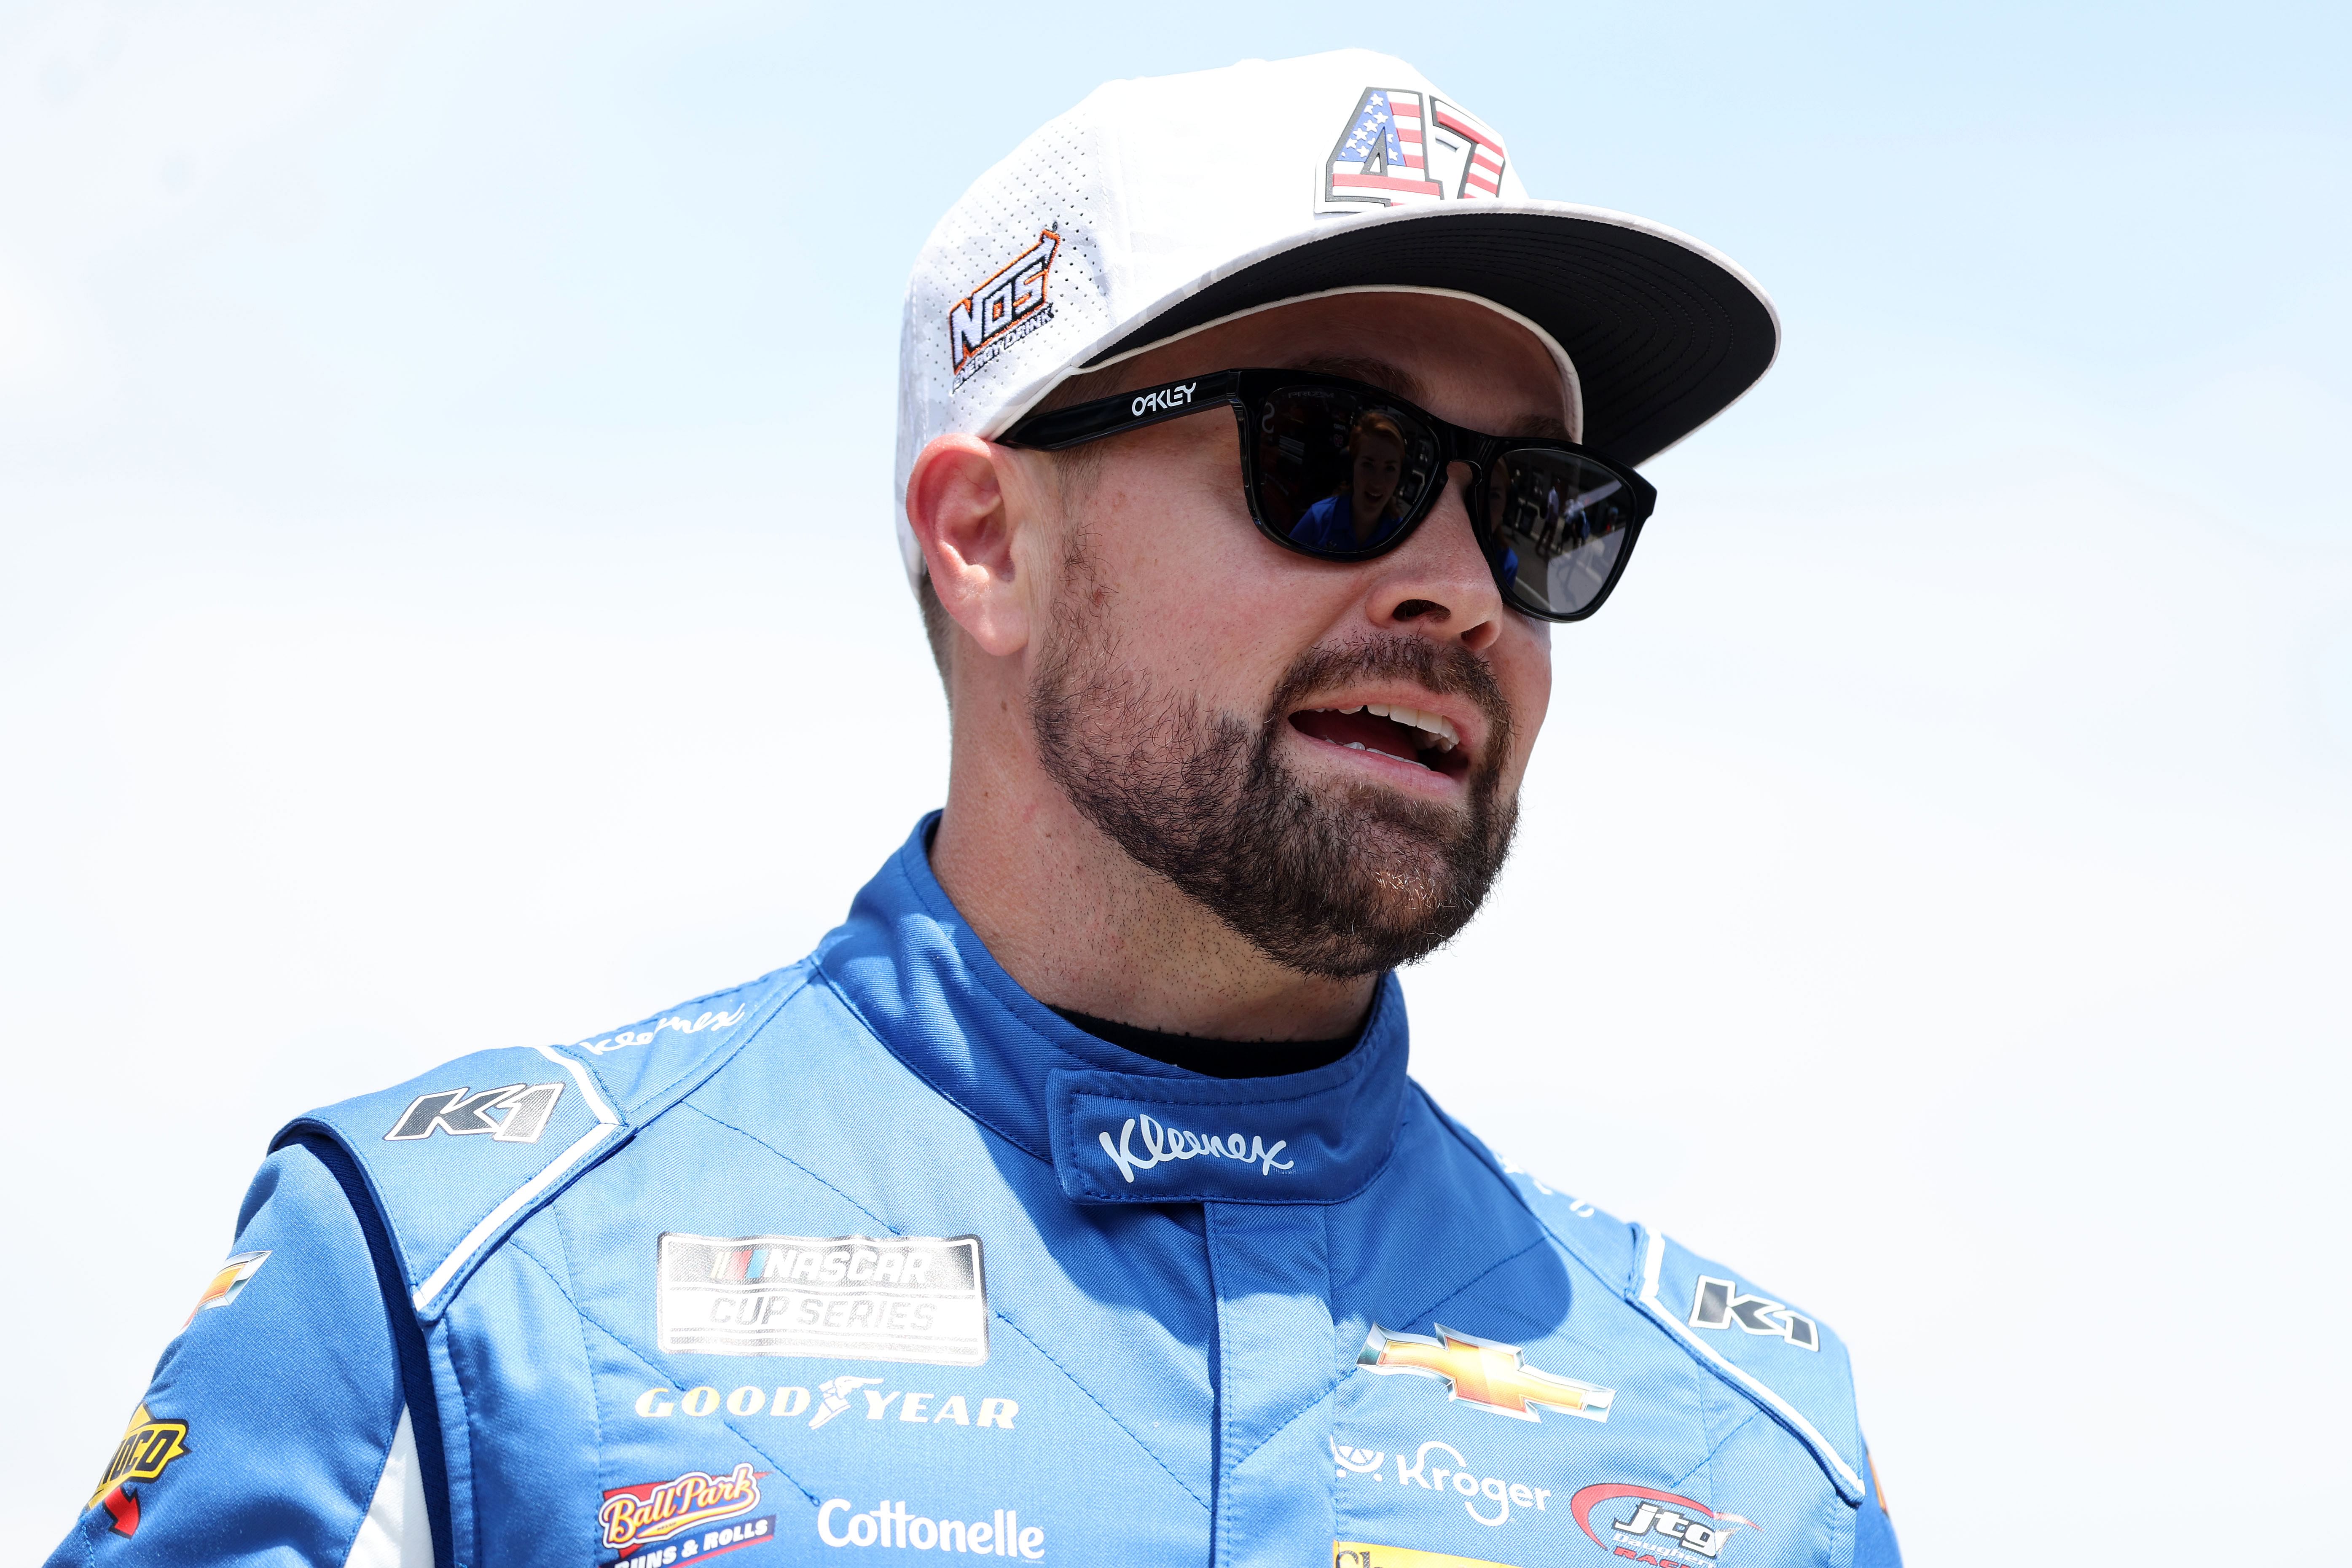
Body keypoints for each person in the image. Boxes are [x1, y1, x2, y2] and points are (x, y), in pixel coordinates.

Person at [49, 51, 1902, 1568]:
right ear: (987, 542)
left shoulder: (1752, 1457)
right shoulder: (460, 1288)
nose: (1464, 591)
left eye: (1537, 511)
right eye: (1335, 460)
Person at [1291, 410, 1411, 550]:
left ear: (1401, 476)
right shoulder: (1318, 519)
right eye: (1368, 465)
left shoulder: (1402, 538)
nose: (1377, 482)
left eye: (1390, 469)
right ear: (1351, 466)